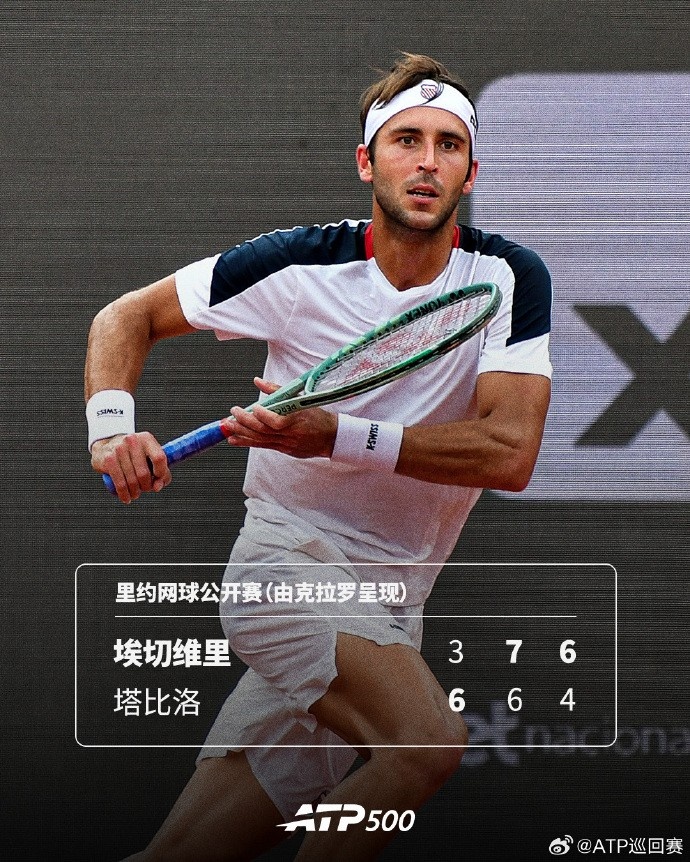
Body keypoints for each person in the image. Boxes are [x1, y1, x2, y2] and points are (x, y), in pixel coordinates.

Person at [85, 53, 552, 861]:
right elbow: (126, 317)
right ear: (368, 162)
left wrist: (336, 434)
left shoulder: (507, 278)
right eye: (406, 140)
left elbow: (509, 452)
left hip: (389, 606)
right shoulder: (298, 262)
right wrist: (111, 430)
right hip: (285, 569)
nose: (427, 161)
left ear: (471, 173)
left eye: (448, 145)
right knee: (424, 744)